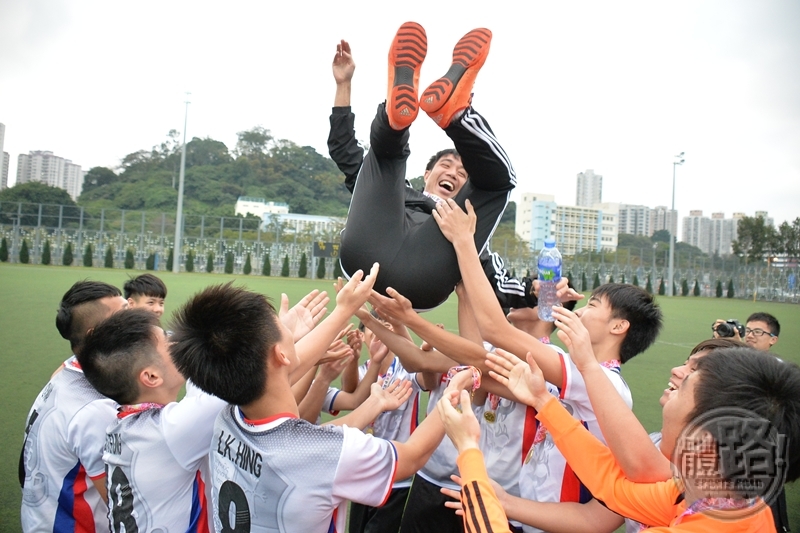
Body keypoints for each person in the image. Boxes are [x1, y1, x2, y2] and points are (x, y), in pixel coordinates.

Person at [167, 270, 475, 533]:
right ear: (281, 354)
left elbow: (288, 368)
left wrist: (341, 311)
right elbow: (412, 456)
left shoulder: (226, 418)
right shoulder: (325, 452)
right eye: (280, 328)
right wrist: (455, 390)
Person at [433, 198, 662, 533]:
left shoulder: (603, 382)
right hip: (527, 517)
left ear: (618, 327)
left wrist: (465, 244)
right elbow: (484, 357)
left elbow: (496, 329)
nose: (580, 311)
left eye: (594, 305)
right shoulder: (580, 371)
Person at [487, 346, 800, 532]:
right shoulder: (717, 497)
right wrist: (543, 400)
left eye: (684, 388)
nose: (674, 381)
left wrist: (472, 464)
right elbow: (614, 487)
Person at [329, 23, 522, 310]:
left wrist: (538, 290)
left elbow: (501, 284)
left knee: (480, 196)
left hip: (414, 267)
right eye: (447, 166)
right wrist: (343, 84)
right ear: (428, 174)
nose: (454, 174)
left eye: (462, 174)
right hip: (376, 249)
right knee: (387, 162)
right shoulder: (399, 193)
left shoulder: (464, 222)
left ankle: (424, 118)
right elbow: (344, 149)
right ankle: (443, 115)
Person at [79, 309, 225, 532]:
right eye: (168, 340)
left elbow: (199, 391)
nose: (177, 342)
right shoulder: (170, 431)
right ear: (151, 377)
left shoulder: (121, 426)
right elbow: (243, 375)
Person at [20, 281, 127, 533]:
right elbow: (123, 508)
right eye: (123, 315)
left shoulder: (66, 372)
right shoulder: (95, 409)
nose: (139, 317)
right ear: (95, 335)